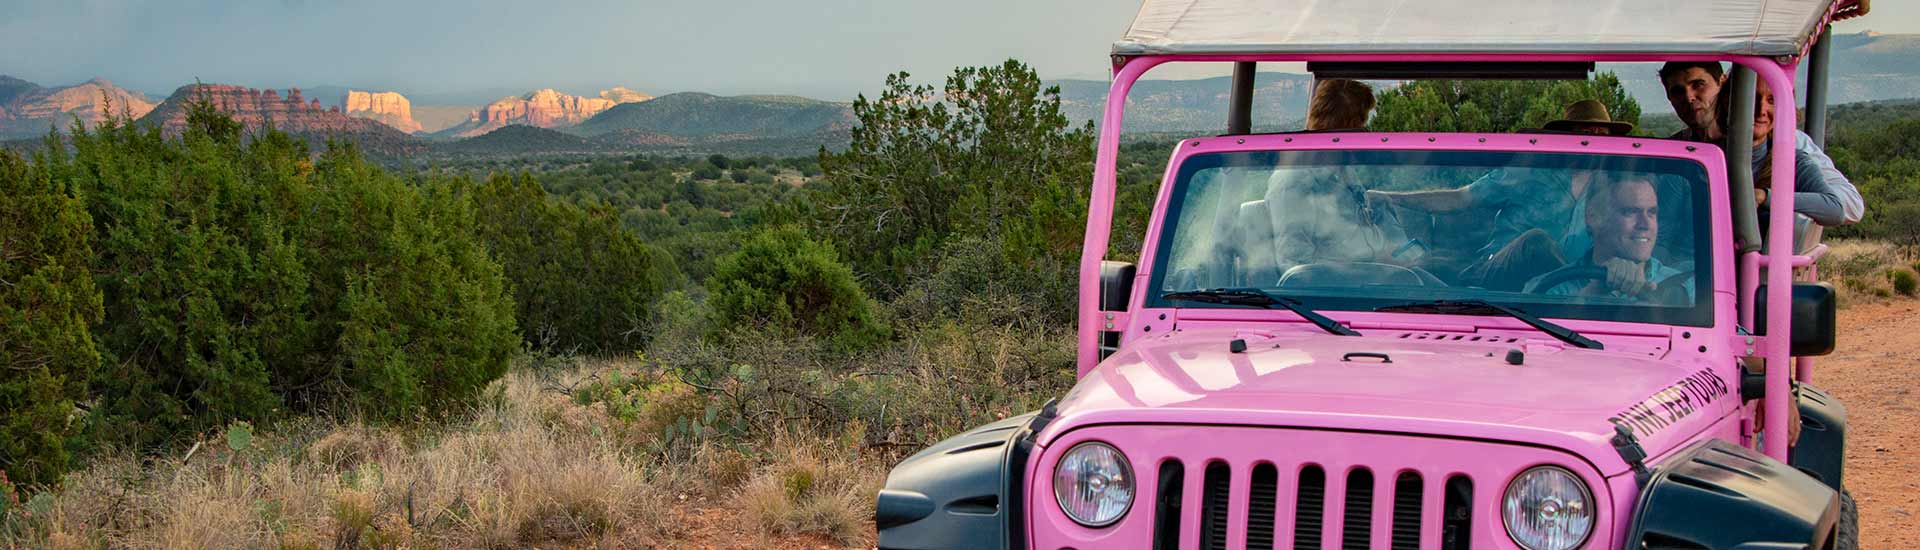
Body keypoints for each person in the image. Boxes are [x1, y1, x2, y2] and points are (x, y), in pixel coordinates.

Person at [1368, 99, 1632, 291]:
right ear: (1564, 137)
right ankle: (1575, 289)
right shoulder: (1529, 173)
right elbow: (1461, 198)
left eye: (1600, 135)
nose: (1592, 142)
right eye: (1584, 134)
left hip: (1558, 295)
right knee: (1536, 242)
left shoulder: (1612, 189)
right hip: (1498, 272)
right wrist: (1391, 197)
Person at [1712, 78, 1864, 227]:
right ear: (1728, 101)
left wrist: (1764, 197)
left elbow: (1834, 209)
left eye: (1771, 101)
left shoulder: (1793, 161)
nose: (1761, 110)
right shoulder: (1708, 158)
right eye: (1752, 98)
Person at [1534, 176, 1692, 302]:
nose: (1645, 224)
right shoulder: (1548, 289)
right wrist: (1591, 294)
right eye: (1630, 212)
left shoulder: (1688, 289)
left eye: (1652, 213)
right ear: (1594, 217)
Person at [1658, 62, 1726, 141]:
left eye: (1698, 85)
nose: (1689, 98)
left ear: (1722, 83)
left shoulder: (1742, 144)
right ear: (1668, 95)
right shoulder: (1671, 148)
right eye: (1677, 91)